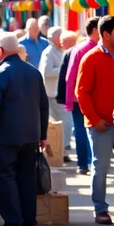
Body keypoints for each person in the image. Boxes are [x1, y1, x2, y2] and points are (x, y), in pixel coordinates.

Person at [0, 33, 49, 226]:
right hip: (31, 135)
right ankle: (28, 222)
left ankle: (13, 223)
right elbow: (44, 106)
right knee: (26, 177)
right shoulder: (33, 72)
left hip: (5, 135)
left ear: (0, 50)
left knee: (5, 177)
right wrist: (42, 133)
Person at [76, 16, 114, 225]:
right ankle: (100, 208)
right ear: (106, 34)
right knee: (100, 168)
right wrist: (94, 119)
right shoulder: (90, 58)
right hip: (101, 125)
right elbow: (82, 93)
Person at [65, 18, 99, 174]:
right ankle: (92, 163)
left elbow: (69, 76)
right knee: (89, 130)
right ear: (95, 30)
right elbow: (71, 76)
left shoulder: (78, 49)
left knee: (81, 130)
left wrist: (69, 99)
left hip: (79, 97)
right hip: (89, 97)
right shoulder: (95, 49)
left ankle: (83, 164)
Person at [39, 27, 73, 157]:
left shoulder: (59, 50)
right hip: (53, 93)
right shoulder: (49, 52)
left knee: (65, 123)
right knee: (65, 123)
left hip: (60, 92)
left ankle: (63, 150)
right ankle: (62, 150)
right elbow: (46, 72)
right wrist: (64, 70)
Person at [56, 31, 79, 167]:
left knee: (73, 126)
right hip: (74, 97)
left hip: (74, 97)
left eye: (64, 41)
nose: (61, 44)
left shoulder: (70, 52)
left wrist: (66, 99)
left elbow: (67, 77)